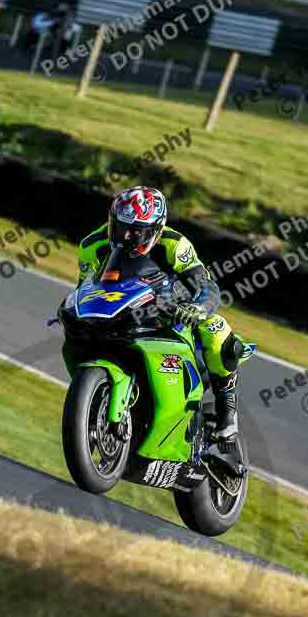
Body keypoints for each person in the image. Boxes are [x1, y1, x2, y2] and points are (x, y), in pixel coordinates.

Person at [75, 186, 245, 439]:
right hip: (123, 310)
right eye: (120, 227)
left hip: (171, 308)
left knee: (217, 329)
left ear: (155, 229)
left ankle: (227, 413)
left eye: (136, 231)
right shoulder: (92, 245)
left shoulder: (174, 245)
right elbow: (86, 288)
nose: (126, 237)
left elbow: (206, 284)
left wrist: (198, 309)